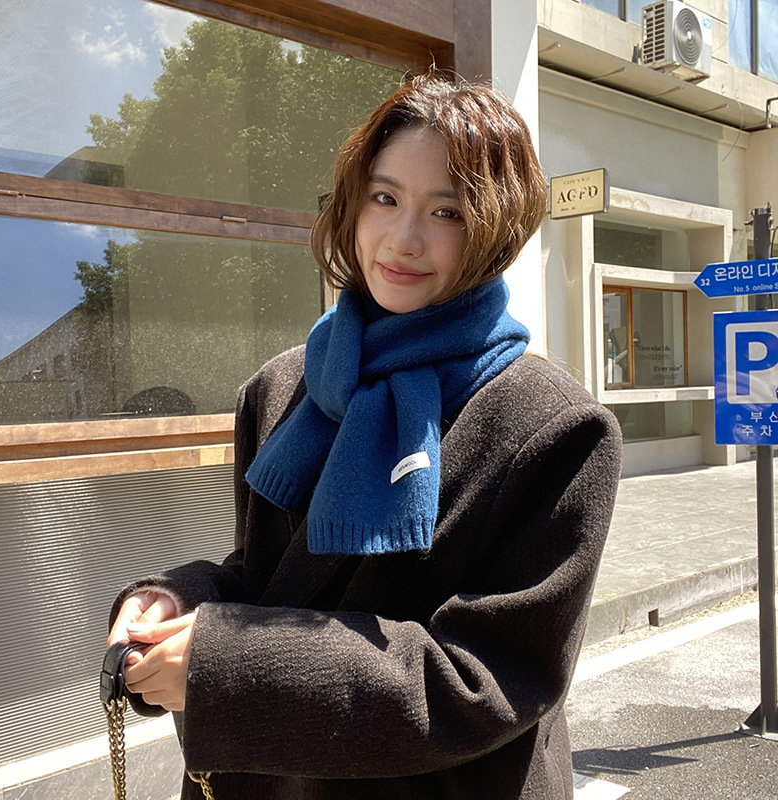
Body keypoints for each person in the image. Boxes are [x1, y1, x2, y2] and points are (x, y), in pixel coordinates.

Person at [108, 71, 622, 800]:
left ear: (495, 229)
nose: (402, 239)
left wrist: (227, 667)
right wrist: (175, 600)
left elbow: (485, 678)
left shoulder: (556, 427)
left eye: (446, 211)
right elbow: (266, 572)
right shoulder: (282, 387)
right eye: (385, 198)